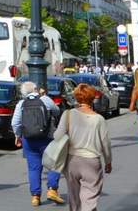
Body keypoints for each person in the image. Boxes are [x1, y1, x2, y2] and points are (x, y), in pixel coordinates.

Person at [53, 83, 112, 211]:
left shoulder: (68, 114)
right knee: (89, 199)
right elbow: (105, 143)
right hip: (91, 162)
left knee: (74, 198)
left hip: (72, 160)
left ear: (76, 97)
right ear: (92, 98)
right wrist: (108, 161)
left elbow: (57, 136)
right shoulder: (99, 119)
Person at [12, 80, 65, 206]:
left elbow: (15, 123)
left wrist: (18, 135)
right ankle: (52, 189)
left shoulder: (21, 104)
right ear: (36, 90)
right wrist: (45, 96)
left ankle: (35, 196)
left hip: (29, 140)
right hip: (47, 138)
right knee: (55, 163)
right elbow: (57, 111)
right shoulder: (45, 100)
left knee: (34, 168)